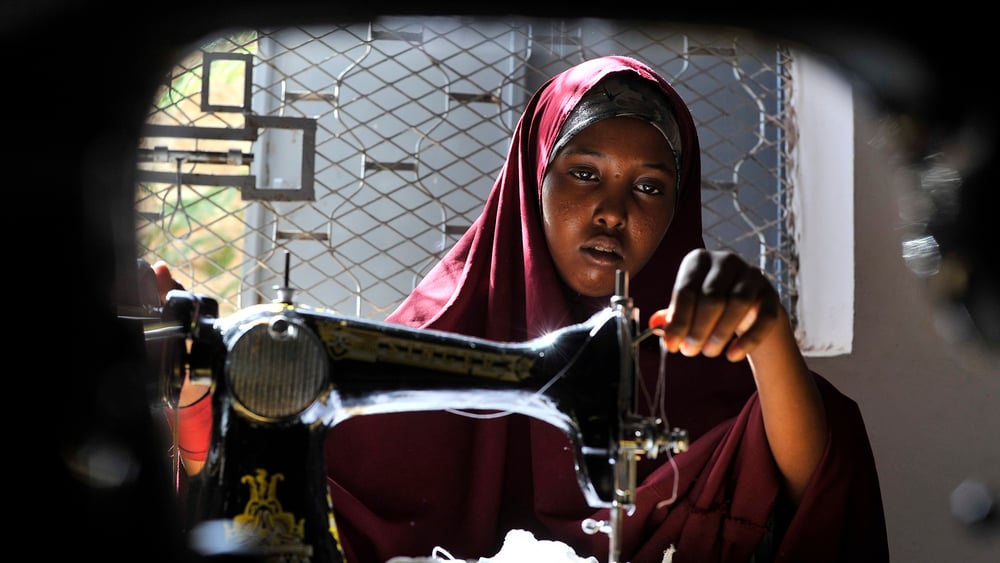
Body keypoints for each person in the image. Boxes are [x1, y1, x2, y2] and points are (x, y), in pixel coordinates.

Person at [156, 55, 889, 562]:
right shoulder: (429, 341)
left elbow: (815, 484)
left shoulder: (714, 371)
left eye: (650, 187)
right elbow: (271, 483)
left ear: (679, 206)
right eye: (582, 173)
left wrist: (768, 337)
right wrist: (189, 394)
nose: (610, 211)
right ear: (531, 179)